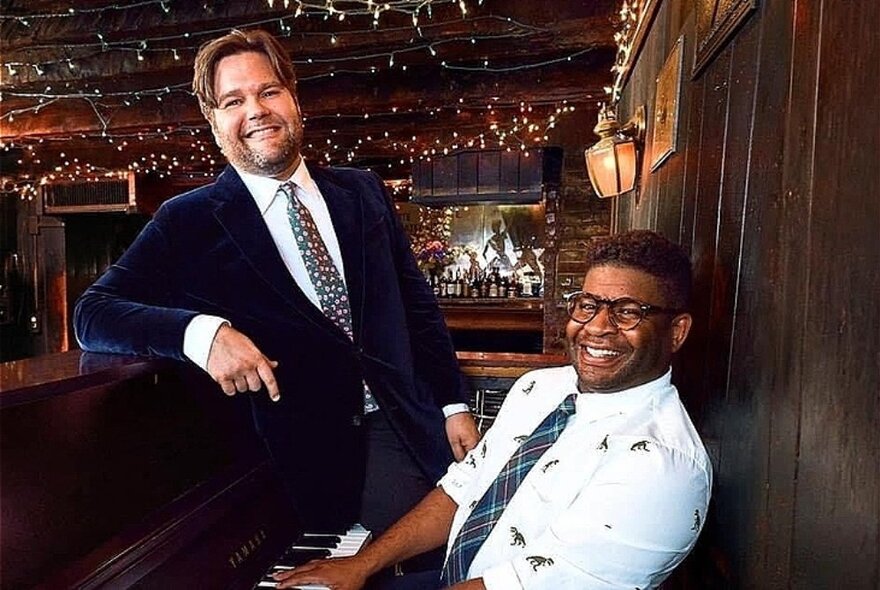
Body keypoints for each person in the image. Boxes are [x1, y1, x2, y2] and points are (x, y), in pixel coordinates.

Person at [73, 28, 479, 569]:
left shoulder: (362, 189)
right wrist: (203, 334)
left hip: (407, 426)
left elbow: (416, 304)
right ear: (213, 121)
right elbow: (92, 314)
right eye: (233, 101)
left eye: (268, 92)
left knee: (444, 565)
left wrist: (452, 403)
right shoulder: (186, 220)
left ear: (293, 98)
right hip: (298, 463)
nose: (256, 111)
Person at [273, 230, 712, 590]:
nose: (597, 327)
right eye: (588, 305)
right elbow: (462, 489)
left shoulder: (661, 465)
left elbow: (525, 585)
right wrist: (362, 564)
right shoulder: (538, 387)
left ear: (676, 332)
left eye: (628, 312)